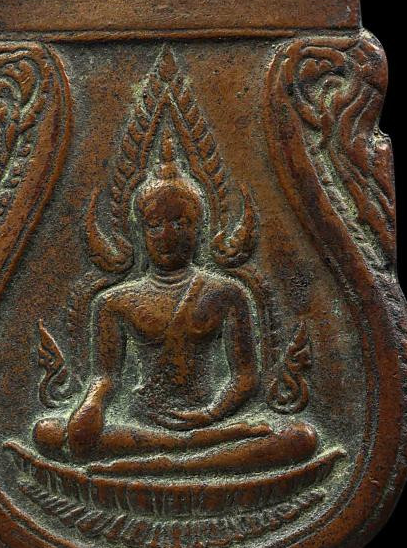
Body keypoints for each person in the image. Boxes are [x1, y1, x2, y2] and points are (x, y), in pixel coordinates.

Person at [33, 129, 317, 473]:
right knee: (47, 432)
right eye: (155, 225)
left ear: (200, 227)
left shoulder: (225, 293)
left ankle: (168, 457)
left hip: (211, 420)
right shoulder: (115, 302)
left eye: (181, 223)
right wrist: (91, 406)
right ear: (139, 230)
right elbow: (106, 378)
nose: (168, 236)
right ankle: (187, 455)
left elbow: (245, 377)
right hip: (140, 424)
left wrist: (210, 414)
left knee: (300, 437)